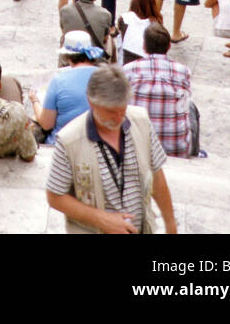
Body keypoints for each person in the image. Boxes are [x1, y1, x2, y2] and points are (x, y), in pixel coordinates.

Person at [46, 64, 177, 235]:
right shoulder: (68, 140)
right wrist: (101, 219)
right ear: (90, 102)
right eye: (110, 111)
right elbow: (55, 196)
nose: (118, 118)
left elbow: (157, 177)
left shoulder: (141, 122)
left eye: (122, 110)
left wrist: (170, 223)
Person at [125, 25, 198, 157]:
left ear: (144, 46)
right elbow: (183, 106)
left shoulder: (129, 69)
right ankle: (195, 152)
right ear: (169, 47)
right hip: (176, 148)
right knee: (191, 106)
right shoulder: (183, 71)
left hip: (137, 147)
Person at [31, 30, 105, 140]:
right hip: (99, 142)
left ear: (67, 56)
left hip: (63, 144)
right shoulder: (106, 77)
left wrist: (34, 101)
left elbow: (46, 124)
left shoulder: (59, 80)